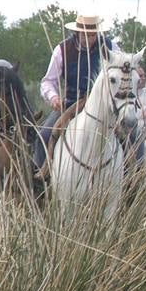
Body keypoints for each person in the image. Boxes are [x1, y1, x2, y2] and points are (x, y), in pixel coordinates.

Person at [34, 12, 115, 172]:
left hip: (103, 106)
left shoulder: (110, 47)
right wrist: (54, 97)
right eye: (86, 34)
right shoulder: (63, 50)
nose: (90, 39)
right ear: (77, 32)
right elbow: (48, 81)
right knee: (44, 135)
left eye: (93, 35)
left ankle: (133, 176)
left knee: (131, 134)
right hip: (72, 103)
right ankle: (41, 180)